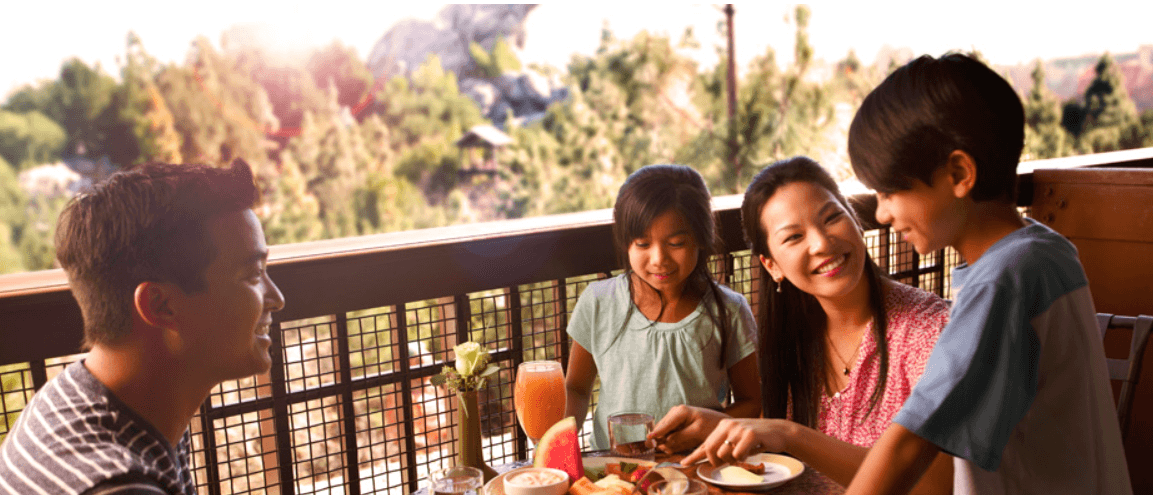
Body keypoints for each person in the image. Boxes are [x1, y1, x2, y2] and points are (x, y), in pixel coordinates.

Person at [842, 53, 1131, 495]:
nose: (882, 214)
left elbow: (907, 446)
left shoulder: (1006, 279)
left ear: (959, 173)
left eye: (890, 192)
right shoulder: (1045, 250)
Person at [653, 157, 952, 494]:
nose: (822, 243)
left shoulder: (930, 330)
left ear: (855, 219)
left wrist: (793, 436)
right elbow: (779, 448)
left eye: (832, 218)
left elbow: (937, 484)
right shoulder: (794, 337)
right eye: (794, 237)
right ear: (772, 265)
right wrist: (725, 427)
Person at [0, 160, 285, 495]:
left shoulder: (77, 398)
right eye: (252, 275)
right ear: (160, 306)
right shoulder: (118, 485)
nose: (277, 298)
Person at [564, 164, 761, 450]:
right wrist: (559, 442)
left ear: (701, 238)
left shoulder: (729, 310)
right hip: (611, 470)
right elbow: (576, 388)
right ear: (626, 242)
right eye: (643, 244)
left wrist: (706, 429)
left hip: (696, 465)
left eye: (676, 243)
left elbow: (752, 402)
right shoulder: (598, 301)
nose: (659, 259)